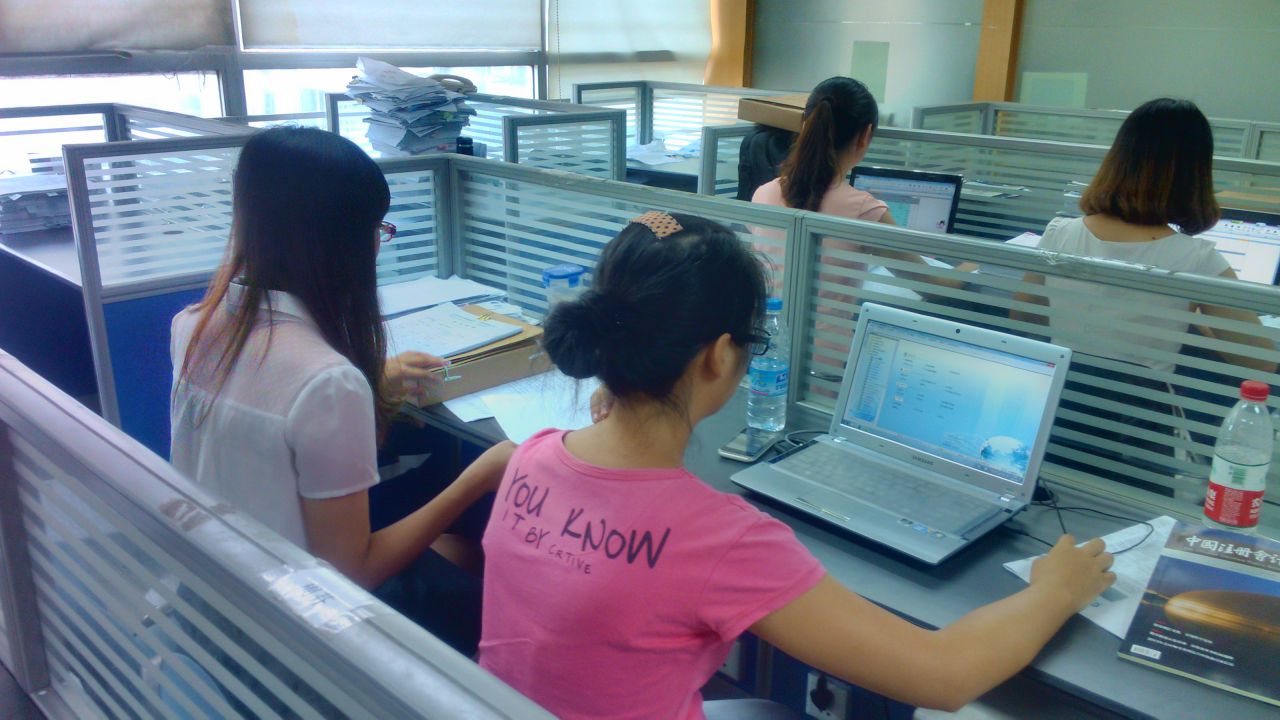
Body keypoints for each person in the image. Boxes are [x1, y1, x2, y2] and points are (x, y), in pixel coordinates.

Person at [478, 211, 1115, 719]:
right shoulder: (717, 537)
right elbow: (942, 675)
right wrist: (1055, 590)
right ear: (719, 357)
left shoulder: (532, 457)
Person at [170, 126, 511, 654]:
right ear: (343, 242)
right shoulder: (327, 382)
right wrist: (477, 479)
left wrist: (371, 385)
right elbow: (353, 574)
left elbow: (269, 406)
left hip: (219, 588)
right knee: (496, 588)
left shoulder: (193, 325)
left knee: (459, 550)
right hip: (299, 631)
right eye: (377, 228)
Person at [1012, 98, 1275, 489]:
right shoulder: (1196, 258)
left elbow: (1023, 317)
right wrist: (1196, 318)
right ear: (1195, 174)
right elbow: (1260, 362)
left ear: (1118, 159)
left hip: (1057, 418)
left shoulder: (1059, 233)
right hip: (1138, 441)